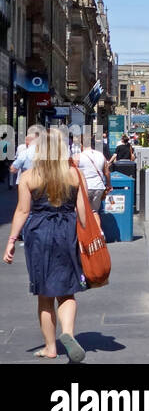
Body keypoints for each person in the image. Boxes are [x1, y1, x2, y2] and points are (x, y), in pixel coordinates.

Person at [3, 128, 88, 361]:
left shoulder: (30, 176)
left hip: (39, 233)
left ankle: (50, 348)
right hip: (67, 231)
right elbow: (83, 211)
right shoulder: (74, 174)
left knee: (44, 294)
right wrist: (89, 238)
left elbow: (22, 210)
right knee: (67, 291)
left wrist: (11, 241)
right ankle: (68, 333)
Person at [72, 137, 110, 214]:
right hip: (99, 187)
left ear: (81, 145)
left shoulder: (78, 157)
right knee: (94, 212)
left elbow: (73, 173)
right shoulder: (101, 155)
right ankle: (97, 226)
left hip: (84, 188)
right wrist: (109, 185)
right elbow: (107, 172)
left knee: (81, 213)